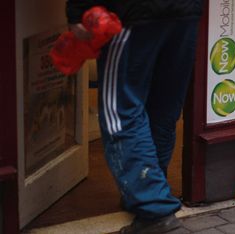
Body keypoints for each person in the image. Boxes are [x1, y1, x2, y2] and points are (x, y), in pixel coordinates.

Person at [65, 0, 203, 233]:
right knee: (162, 108)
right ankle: (149, 194)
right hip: (186, 12)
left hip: (131, 14)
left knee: (120, 112)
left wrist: (77, 12)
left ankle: (154, 209)